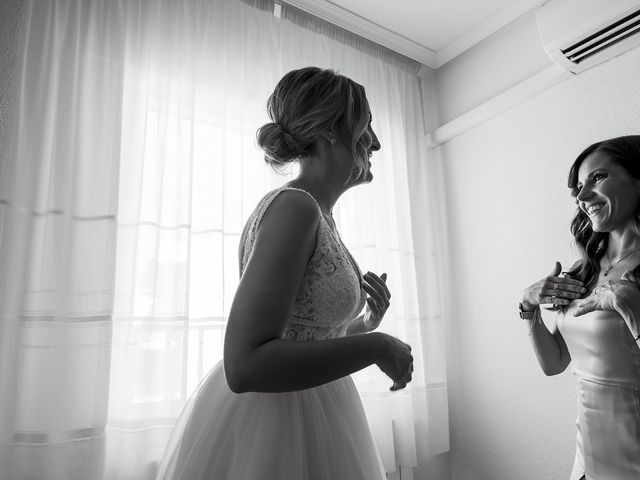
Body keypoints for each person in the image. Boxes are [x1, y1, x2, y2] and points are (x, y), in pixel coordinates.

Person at [155, 66, 414, 480]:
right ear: (331, 132)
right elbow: (246, 364)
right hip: (276, 424)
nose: (376, 143)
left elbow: (302, 338)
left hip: (315, 410)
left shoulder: (320, 214)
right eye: (366, 127)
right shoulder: (295, 208)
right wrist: (379, 347)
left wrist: (364, 326)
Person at [520, 135, 640, 480]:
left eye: (597, 178)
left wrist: (631, 308)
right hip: (587, 455)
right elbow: (554, 363)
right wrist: (528, 306)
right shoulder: (582, 272)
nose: (583, 196)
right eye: (578, 187)